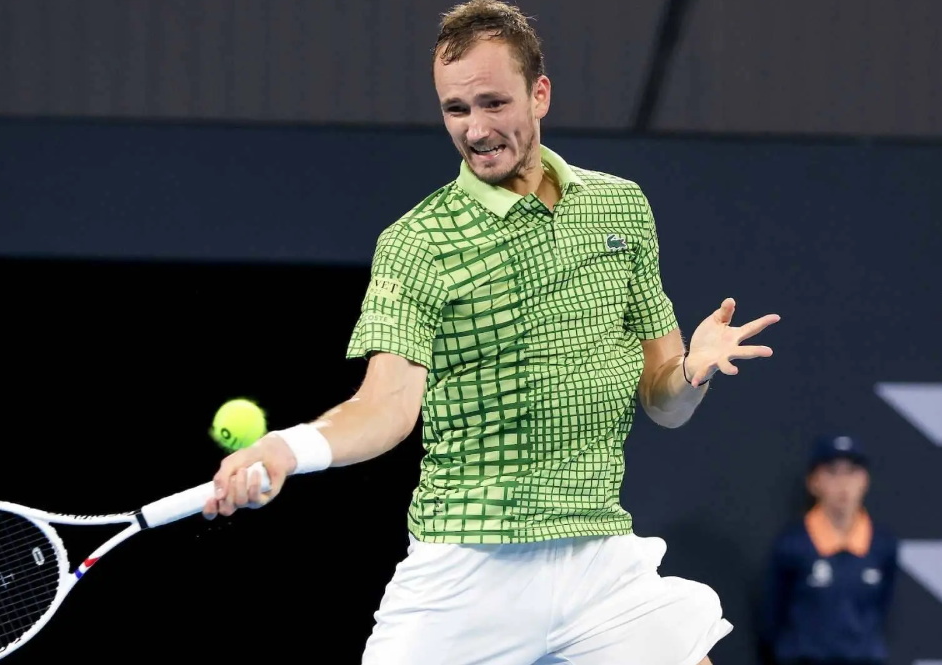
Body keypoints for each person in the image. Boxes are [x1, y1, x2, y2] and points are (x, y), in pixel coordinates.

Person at [204, 1, 780, 663]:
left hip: (596, 555)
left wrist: (692, 374)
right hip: (468, 566)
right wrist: (289, 447)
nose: (475, 129)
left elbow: (664, 401)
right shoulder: (418, 243)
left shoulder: (620, 207)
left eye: (493, 103)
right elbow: (385, 406)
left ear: (540, 94)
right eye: (455, 109)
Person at [759, 436, 899, 665]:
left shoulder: (883, 545)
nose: (843, 484)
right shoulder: (791, 544)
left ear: (865, 480)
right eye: (832, 472)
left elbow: (884, 610)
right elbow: (772, 616)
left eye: (852, 472)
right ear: (813, 482)